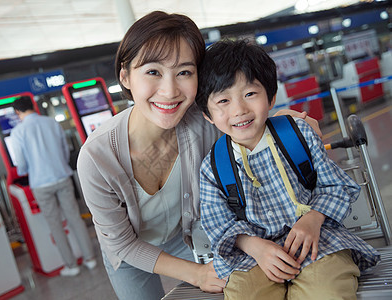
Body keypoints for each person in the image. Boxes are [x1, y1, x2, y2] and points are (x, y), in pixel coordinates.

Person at [77, 11, 323, 300]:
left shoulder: (201, 121)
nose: (169, 92)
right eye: (153, 72)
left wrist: (284, 121)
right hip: (131, 250)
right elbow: (121, 244)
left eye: (184, 72)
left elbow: (241, 121)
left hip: (192, 235)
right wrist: (195, 274)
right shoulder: (97, 158)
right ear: (125, 76)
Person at [195, 39, 380, 299]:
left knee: (327, 292)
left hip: (317, 241)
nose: (239, 110)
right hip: (254, 257)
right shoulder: (214, 166)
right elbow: (219, 225)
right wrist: (254, 246)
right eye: (223, 100)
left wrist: (313, 219)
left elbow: (336, 185)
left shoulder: (297, 135)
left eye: (250, 94)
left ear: (271, 97)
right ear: (207, 114)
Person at [11, 96, 97, 277]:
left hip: (41, 183)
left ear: (17, 112)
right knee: (74, 218)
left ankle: (71, 265)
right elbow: (65, 150)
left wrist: (24, 170)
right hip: (62, 176)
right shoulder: (52, 123)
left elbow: (21, 164)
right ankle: (90, 259)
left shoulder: (18, 132)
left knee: (55, 225)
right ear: (33, 106)